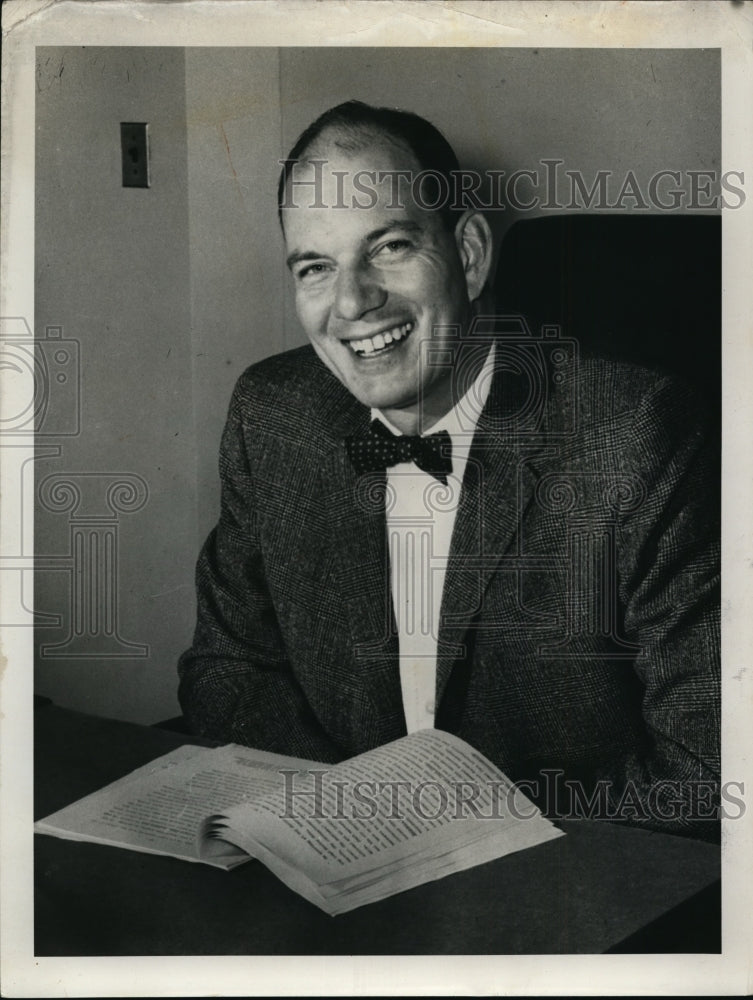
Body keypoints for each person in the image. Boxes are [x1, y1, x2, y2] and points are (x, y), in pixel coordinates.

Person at [178, 101, 720, 838]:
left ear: (467, 254)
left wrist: (450, 833)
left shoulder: (635, 434)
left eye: (389, 246)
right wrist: (341, 824)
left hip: (564, 895)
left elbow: (704, 769)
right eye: (315, 267)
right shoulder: (272, 415)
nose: (351, 303)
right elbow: (227, 671)